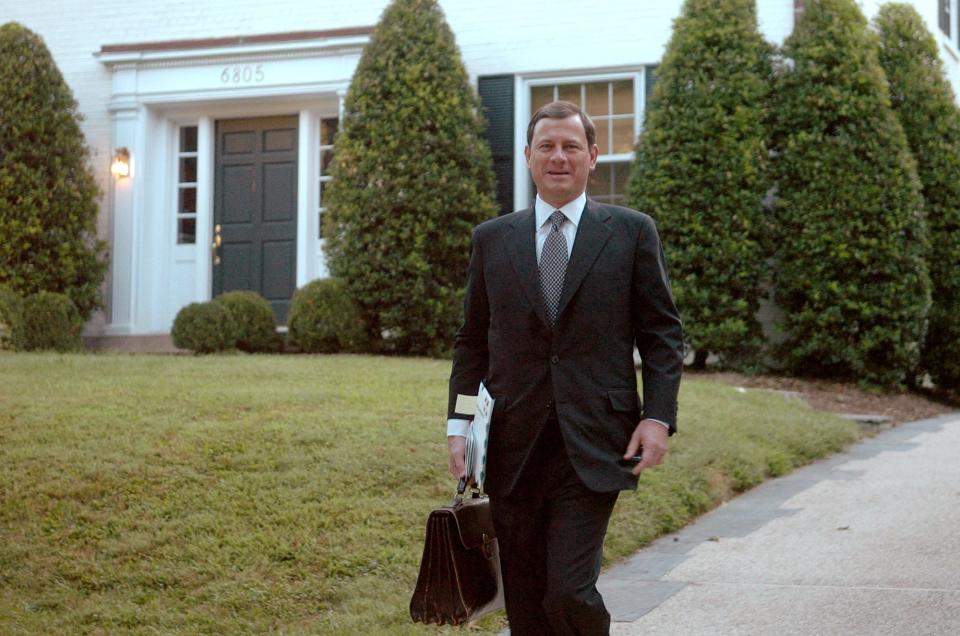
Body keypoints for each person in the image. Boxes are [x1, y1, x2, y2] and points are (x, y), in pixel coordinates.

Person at [446, 100, 683, 635]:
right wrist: (459, 425)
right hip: (511, 444)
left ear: (592, 156)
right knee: (527, 601)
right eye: (547, 146)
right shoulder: (492, 240)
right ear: (528, 156)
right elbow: (471, 343)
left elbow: (662, 335)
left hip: (594, 442)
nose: (559, 157)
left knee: (569, 592)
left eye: (571, 146)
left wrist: (658, 416)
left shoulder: (630, 233)